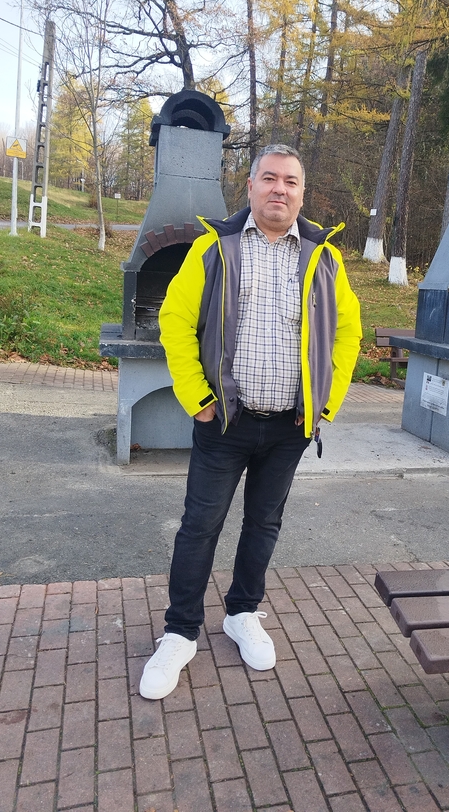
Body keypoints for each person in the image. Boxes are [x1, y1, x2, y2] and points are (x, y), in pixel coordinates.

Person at [139, 144, 361, 700]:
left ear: (302, 193)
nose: (279, 189)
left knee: (264, 524)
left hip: (290, 427)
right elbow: (175, 320)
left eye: (290, 181)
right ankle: (180, 632)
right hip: (224, 423)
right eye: (269, 178)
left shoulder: (325, 258)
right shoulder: (214, 248)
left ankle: (242, 613)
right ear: (251, 186)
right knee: (200, 526)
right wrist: (198, 398)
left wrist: (325, 404)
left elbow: (347, 333)